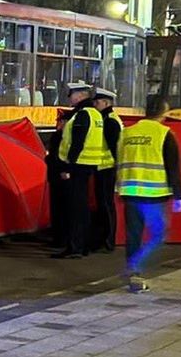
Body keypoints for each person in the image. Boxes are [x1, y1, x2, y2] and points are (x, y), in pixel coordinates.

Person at [117, 96, 181, 293]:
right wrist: (179, 195)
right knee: (158, 234)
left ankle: (134, 275)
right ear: (164, 113)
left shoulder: (127, 133)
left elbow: (119, 161)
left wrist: (118, 187)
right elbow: (173, 168)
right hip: (153, 194)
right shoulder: (165, 134)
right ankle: (135, 266)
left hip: (130, 191)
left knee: (133, 235)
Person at [53, 82, 105, 259]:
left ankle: (75, 247)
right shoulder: (95, 114)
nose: (70, 98)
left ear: (81, 95)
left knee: (75, 209)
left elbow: (77, 143)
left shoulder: (82, 115)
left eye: (72, 95)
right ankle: (83, 245)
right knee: (82, 208)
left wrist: (67, 167)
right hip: (88, 165)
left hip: (77, 166)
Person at [92, 88, 123, 252]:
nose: (95, 105)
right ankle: (104, 239)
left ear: (106, 103)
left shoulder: (110, 121)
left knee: (106, 204)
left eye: (97, 102)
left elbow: (114, 147)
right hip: (103, 166)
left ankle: (108, 240)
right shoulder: (106, 118)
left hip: (107, 167)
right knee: (104, 204)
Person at [46, 108, 73, 248]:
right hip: (55, 176)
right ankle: (58, 238)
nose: (59, 124)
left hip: (62, 176)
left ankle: (62, 239)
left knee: (62, 209)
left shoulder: (64, 137)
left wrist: (65, 170)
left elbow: (59, 156)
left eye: (61, 121)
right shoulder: (58, 136)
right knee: (57, 209)